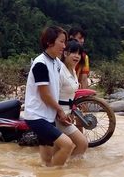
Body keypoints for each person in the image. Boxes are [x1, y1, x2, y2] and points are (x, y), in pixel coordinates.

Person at [24, 26, 75, 167]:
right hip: (36, 116)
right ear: (49, 42)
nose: (64, 46)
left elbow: (58, 88)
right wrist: (60, 110)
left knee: (46, 160)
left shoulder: (56, 62)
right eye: (61, 42)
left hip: (48, 115)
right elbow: (45, 94)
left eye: (65, 42)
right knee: (68, 145)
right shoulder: (40, 64)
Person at [57, 39, 88, 156]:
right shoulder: (60, 71)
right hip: (59, 116)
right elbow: (53, 94)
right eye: (74, 53)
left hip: (67, 114)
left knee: (72, 146)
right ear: (65, 54)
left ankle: (66, 169)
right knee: (82, 143)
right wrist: (59, 113)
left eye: (79, 53)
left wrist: (71, 112)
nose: (77, 56)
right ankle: (68, 168)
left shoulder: (73, 70)